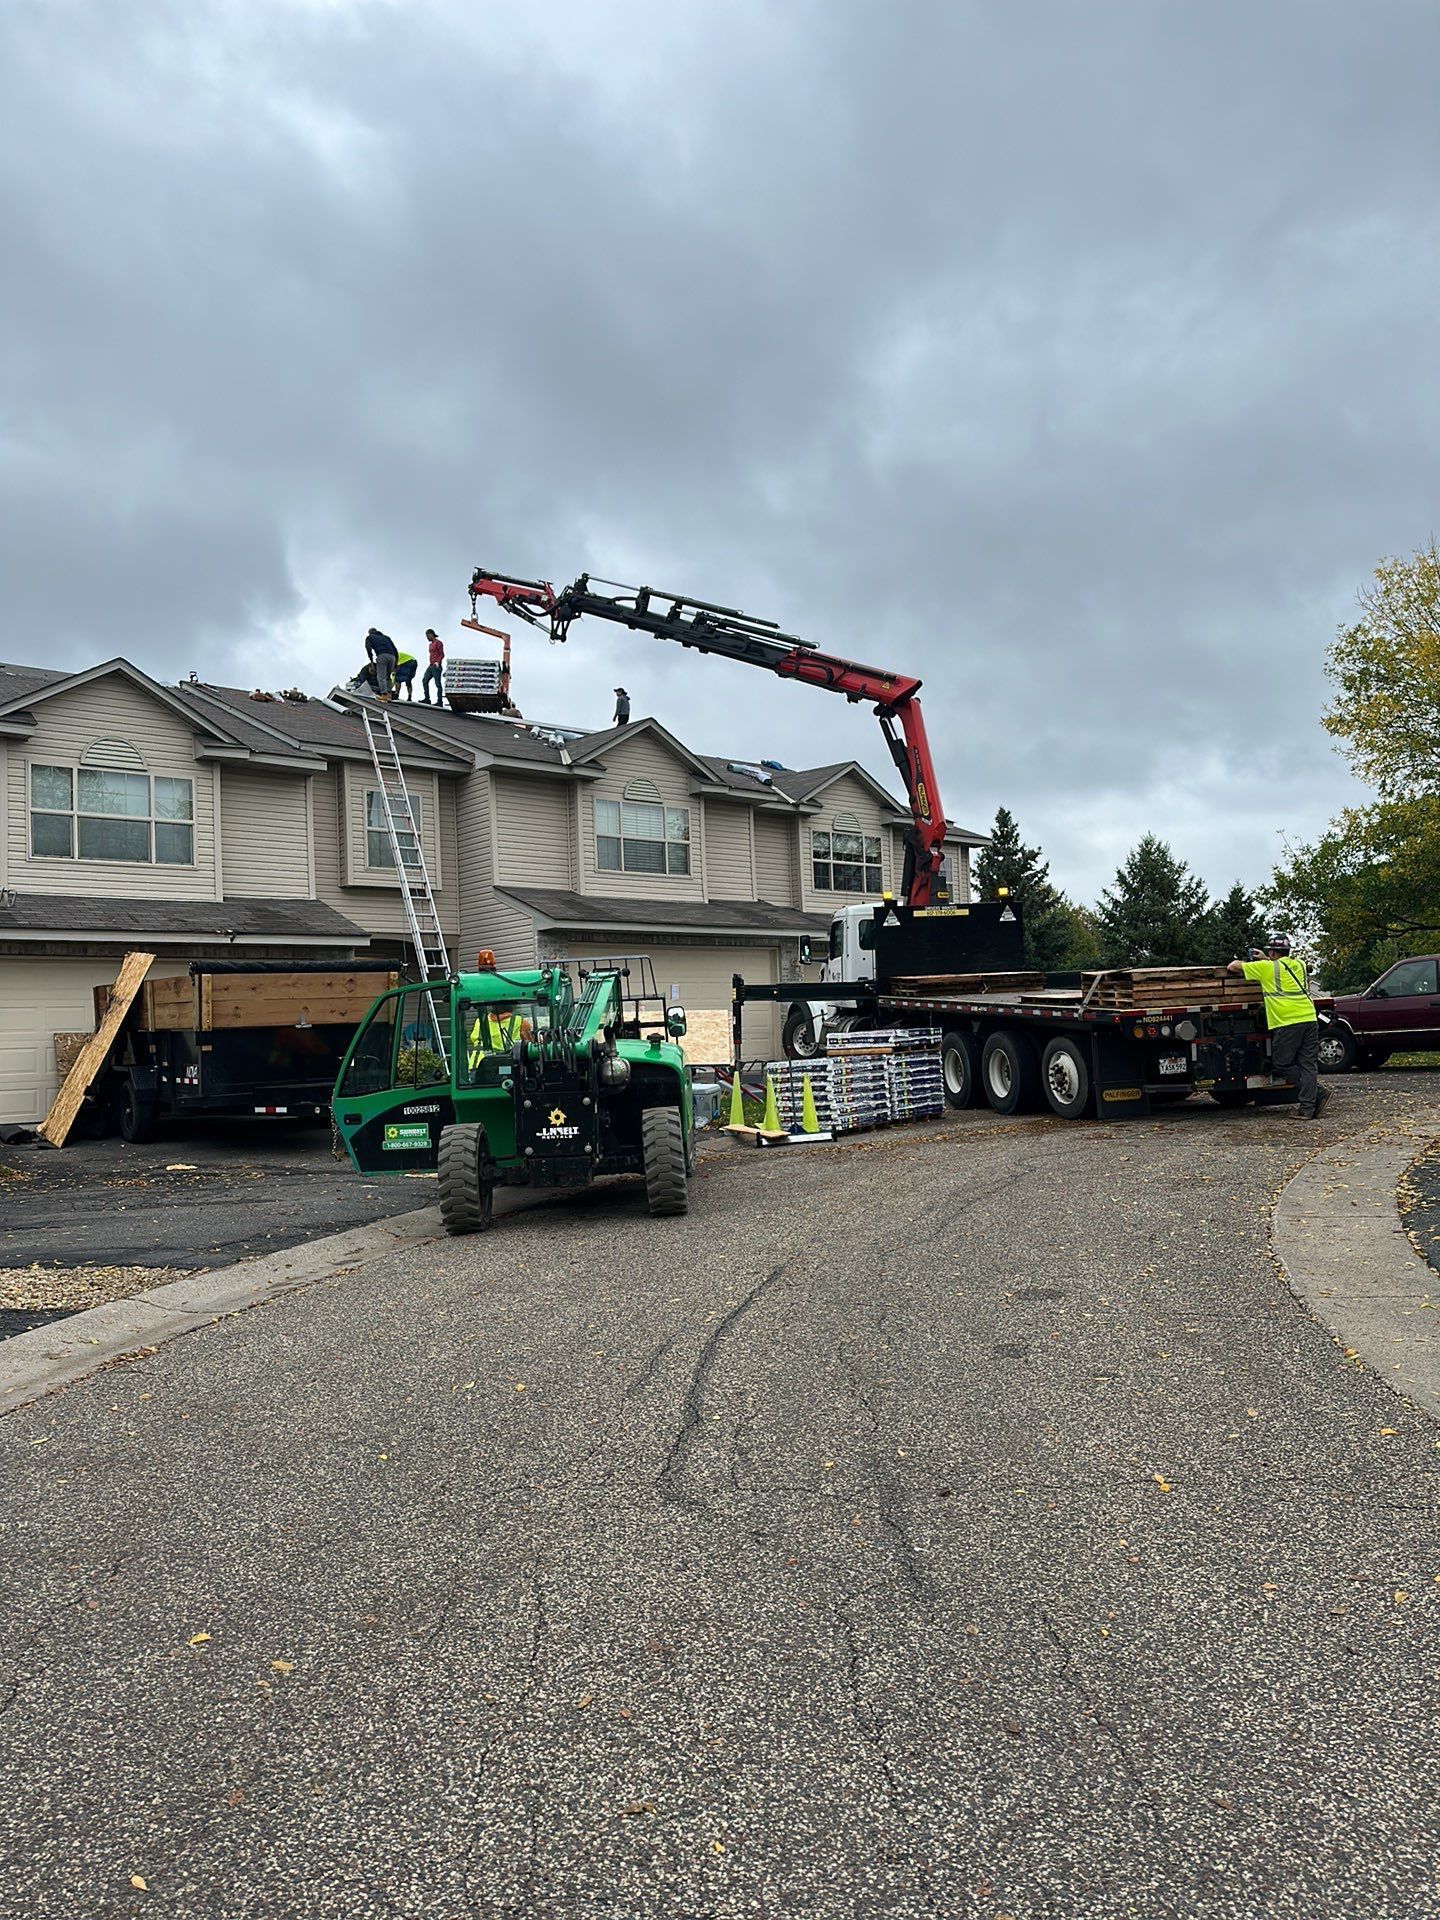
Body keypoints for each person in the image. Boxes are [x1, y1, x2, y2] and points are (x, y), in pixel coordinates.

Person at [1228, 934, 1331, 1119]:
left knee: (1282, 1063)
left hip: (1287, 1022)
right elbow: (1282, 966)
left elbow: (1233, 966)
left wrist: (1259, 959)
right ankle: (1307, 1109)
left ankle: (1318, 1093)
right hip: (1309, 1018)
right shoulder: (1299, 965)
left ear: (1272, 951)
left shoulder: (1266, 968)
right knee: (1308, 1064)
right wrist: (1266, 958)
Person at [464, 1003, 532, 1076]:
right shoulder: (521, 1022)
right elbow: (528, 1047)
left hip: (479, 1066)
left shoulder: (479, 1021)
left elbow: (473, 1039)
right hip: (507, 1066)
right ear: (513, 1007)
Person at [365, 627, 399, 698]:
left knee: (381, 676)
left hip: (382, 656)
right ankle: (389, 694)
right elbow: (395, 650)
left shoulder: (370, 637)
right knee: (388, 677)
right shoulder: (387, 638)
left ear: (370, 633)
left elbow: (368, 649)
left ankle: (384, 695)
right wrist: (396, 663)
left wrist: (371, 660)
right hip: (392, 657)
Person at [422, 629, 445, 705]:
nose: (427, 638)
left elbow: (442, 654)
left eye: (427, 636)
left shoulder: (438, 643)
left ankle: (440, 701)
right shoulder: (430, 645)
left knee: (438, 684)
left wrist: (438, 662)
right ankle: (427, 699)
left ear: (431, 634)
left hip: (436, 666)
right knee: (425, 680)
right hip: (431, 666)